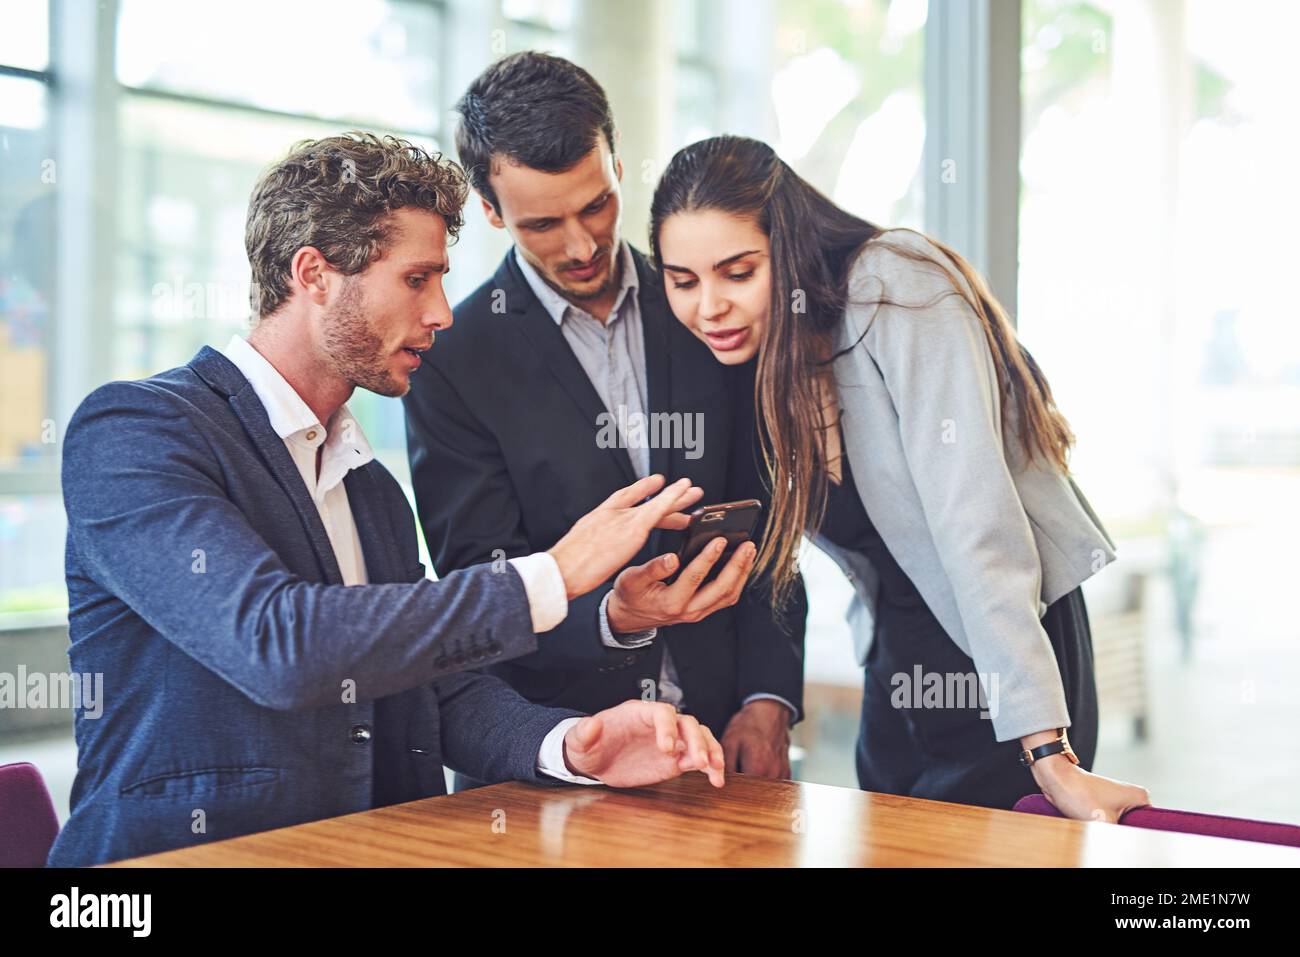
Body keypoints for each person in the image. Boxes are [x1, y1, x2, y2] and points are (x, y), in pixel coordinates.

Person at [48, 132, 727, 868]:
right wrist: (553, 575)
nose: (442, 312)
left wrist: (570, 744)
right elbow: (278, 643)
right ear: (315, 275)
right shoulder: (137, 432)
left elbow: (433, 686)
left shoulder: (371, 489)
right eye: (416, 279)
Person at [649, 134, 1151, 821]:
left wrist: (1048, 753)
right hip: (899, 668)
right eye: (684, 281)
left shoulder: (896, 284)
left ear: (788, 247)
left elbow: (978, 528)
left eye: (738, 271)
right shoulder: (761, 353)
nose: (709, 306)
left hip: (1005, 653)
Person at [403, 54, 806, 788]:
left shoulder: (704, 305)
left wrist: (769, 697)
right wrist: (613, 618)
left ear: (617, 163)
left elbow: (772, 521)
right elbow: (482, 587)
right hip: (559, 758)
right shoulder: (452, 359)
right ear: (491, 212)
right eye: (543, 223)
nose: (582, 244)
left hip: (723, 746)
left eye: (596, 205)